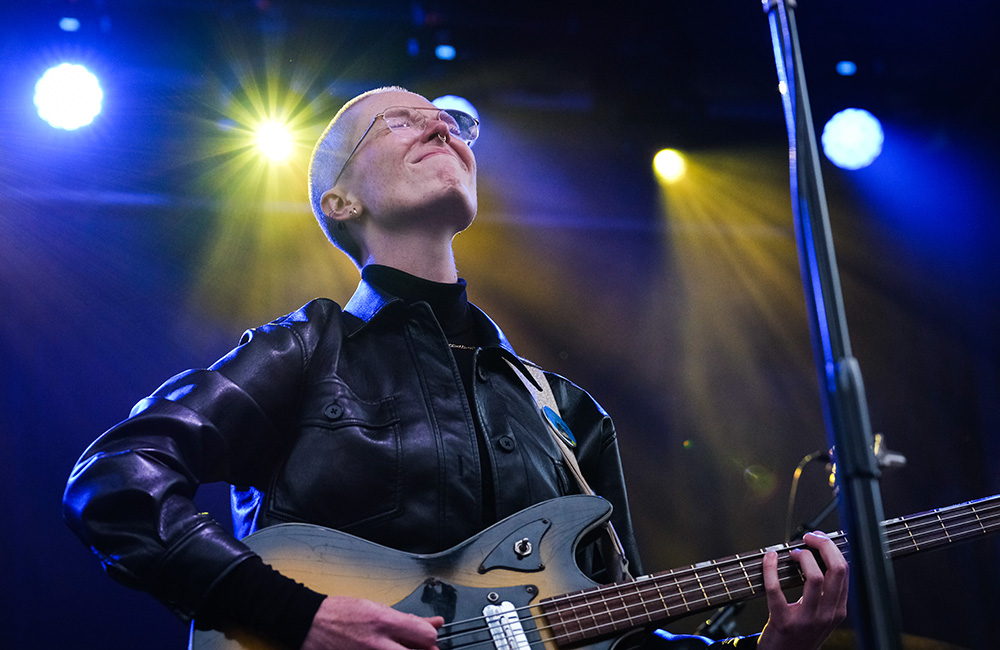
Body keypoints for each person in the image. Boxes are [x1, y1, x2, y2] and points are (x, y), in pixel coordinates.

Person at [63, 86, 848, 650]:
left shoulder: (568, 412)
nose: (441, 126)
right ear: (339, 201)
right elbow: (115, 481)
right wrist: (293, 614)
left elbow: (621, 633)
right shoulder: (304, 348)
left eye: (450, 121)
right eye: (400, 120)